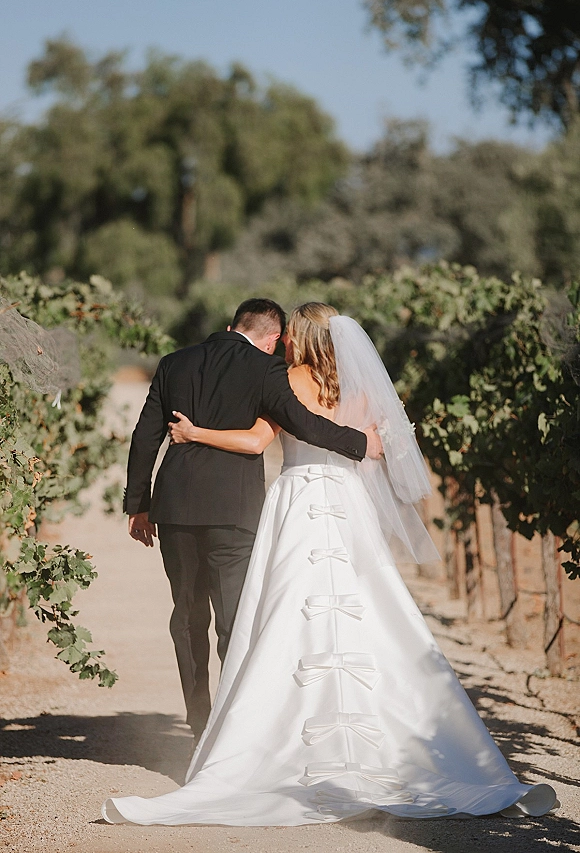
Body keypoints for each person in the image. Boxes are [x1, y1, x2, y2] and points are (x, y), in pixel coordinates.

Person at [104, 303, 557, 825]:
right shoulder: (356, 385)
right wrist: (367, 445)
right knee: (363, 608)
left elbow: (253, 439)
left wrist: (187, 442)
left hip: (288, 502)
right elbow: (369, 444)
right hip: (342, 505)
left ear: (296, 337)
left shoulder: (275, 375)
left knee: (258, 616)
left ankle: (223, 729)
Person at [124, 298, 382, 737]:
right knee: (233, 619)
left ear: (231, 326)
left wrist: (138, 505)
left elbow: (145, 435)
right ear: (273, 338)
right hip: (234, 511)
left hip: (176, 507)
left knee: (187, 615)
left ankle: (198, 721)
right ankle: (230, 728)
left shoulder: (173, 363)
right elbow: (304, 425)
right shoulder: (266, 369)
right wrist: (361, 444)